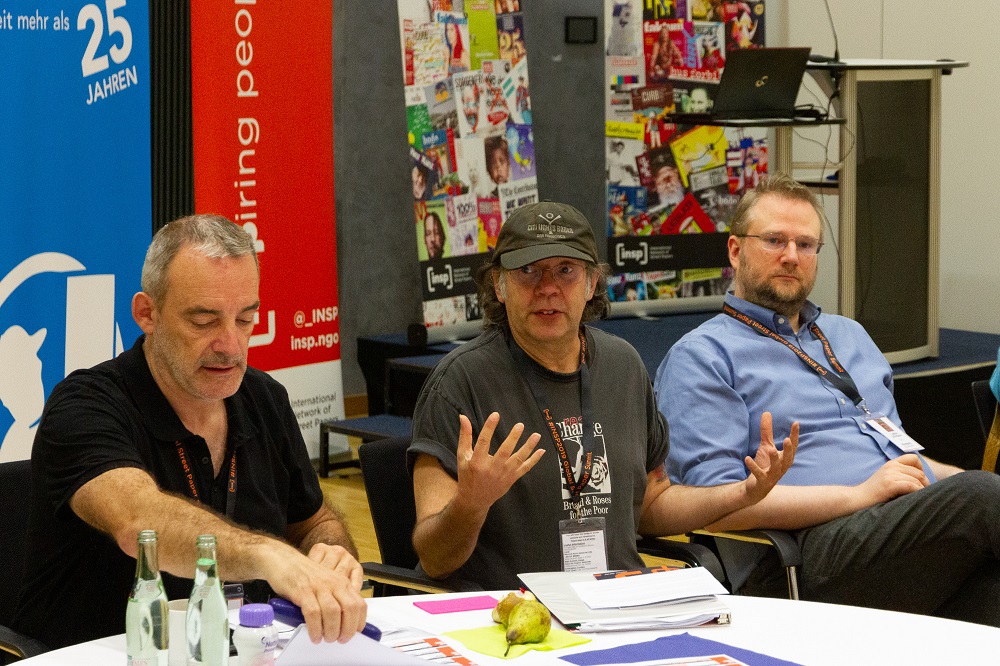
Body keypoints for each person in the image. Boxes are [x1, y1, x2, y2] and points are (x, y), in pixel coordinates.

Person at [654, 174, 1000, 626]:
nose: (792, 256)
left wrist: (956, 478)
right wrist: (858, 495)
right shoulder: (703, 356)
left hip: (898, 530)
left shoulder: (848, 335)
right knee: (980, 497)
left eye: (806, 244)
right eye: (775, 240)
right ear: (735, 251)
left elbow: (900, 457)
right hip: (803, 555)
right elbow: (715, 502)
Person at [15, 215, 367, 648]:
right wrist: (268, 555)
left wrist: (331, 554)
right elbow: (138, 523)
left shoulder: (264, 398)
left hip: (240, 651)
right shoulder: (85, 405)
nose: (231, 345)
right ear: (148, 313)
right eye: (204, 321)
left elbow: (315, 522)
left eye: (245, 319)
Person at [407, 201, 797, 589]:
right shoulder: (459, 384)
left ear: (592, 283)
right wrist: (470, 505)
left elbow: (651, 505)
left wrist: (743, 493)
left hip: (617, 605)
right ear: (499, 284)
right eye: (527, 271)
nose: (547, 288)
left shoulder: (622, 366)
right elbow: (435, 559)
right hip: (512, 618)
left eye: (566, 271)